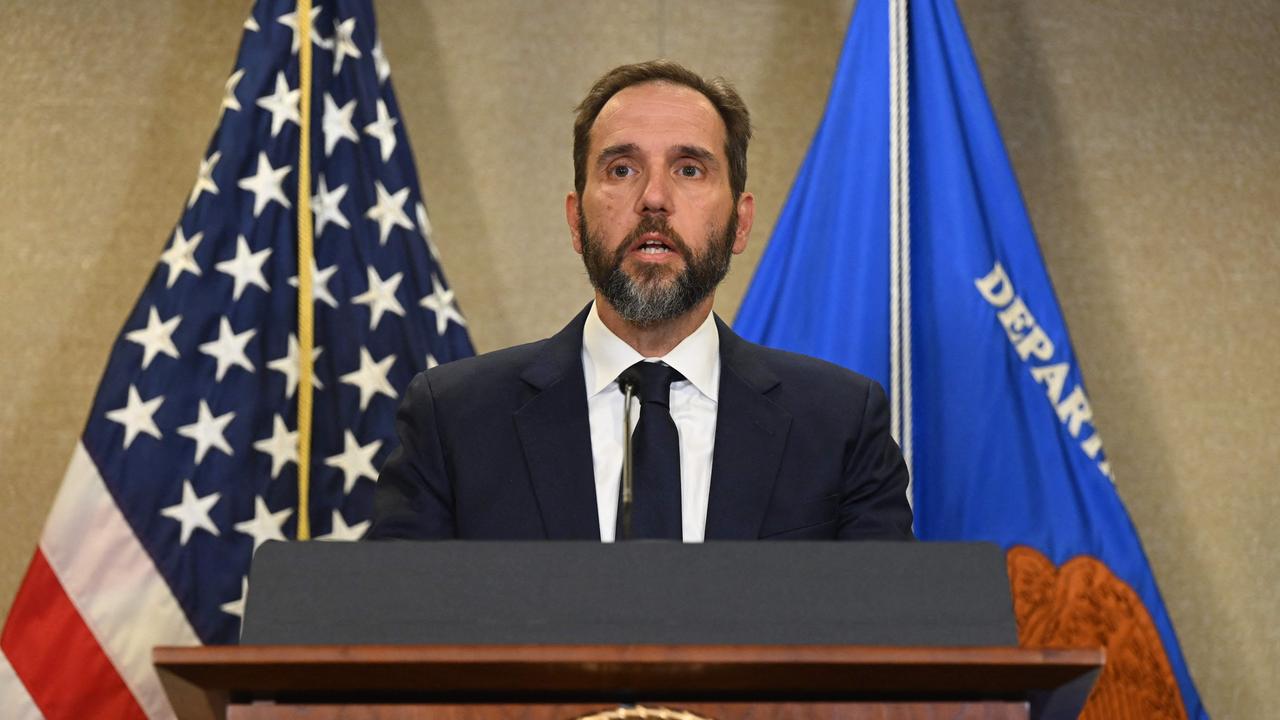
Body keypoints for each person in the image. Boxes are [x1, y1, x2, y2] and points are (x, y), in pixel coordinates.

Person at [366, 60, 913, 541]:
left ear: (740, 223)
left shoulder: (839, 423)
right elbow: (389, 629)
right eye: (621, 169)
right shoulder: (455, 420)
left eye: (689, 170)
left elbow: (892, 636)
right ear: (576, 221)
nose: (653, 198)